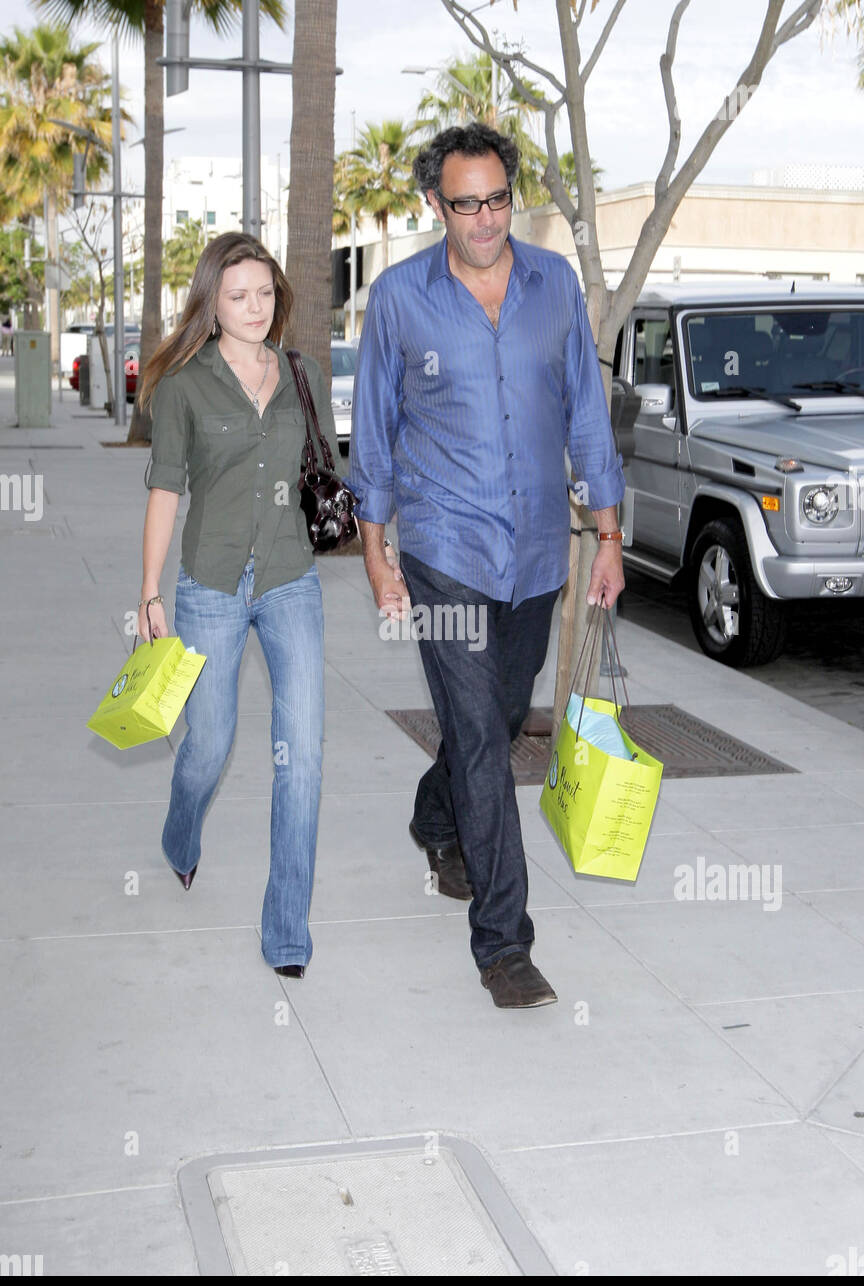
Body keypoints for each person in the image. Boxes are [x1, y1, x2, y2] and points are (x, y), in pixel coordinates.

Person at [349, 123, 625, 1010]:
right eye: (465, 203)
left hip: (539, 543)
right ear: (436, 204)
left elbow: (585, 408)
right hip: (444, 547)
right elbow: (378, 430)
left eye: (498, 199)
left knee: (502, 716)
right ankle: (505, 947)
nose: (484, 219)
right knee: (478, 737)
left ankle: (437, 820)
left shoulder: (553, 287)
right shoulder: (399, 298)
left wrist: (611, 536)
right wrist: (376, 551)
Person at [137, 232, 337, 979]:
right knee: (209, 747)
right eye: (237, 295)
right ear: (211, 303)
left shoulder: (303, 373)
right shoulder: (185, 386)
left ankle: (287, 931)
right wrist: (149, 589)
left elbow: (326, 467)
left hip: (290, 579)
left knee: (304, 758)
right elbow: (165, 490)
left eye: (264, 293)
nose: (255, 308)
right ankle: (180, 834)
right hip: (211, 584)